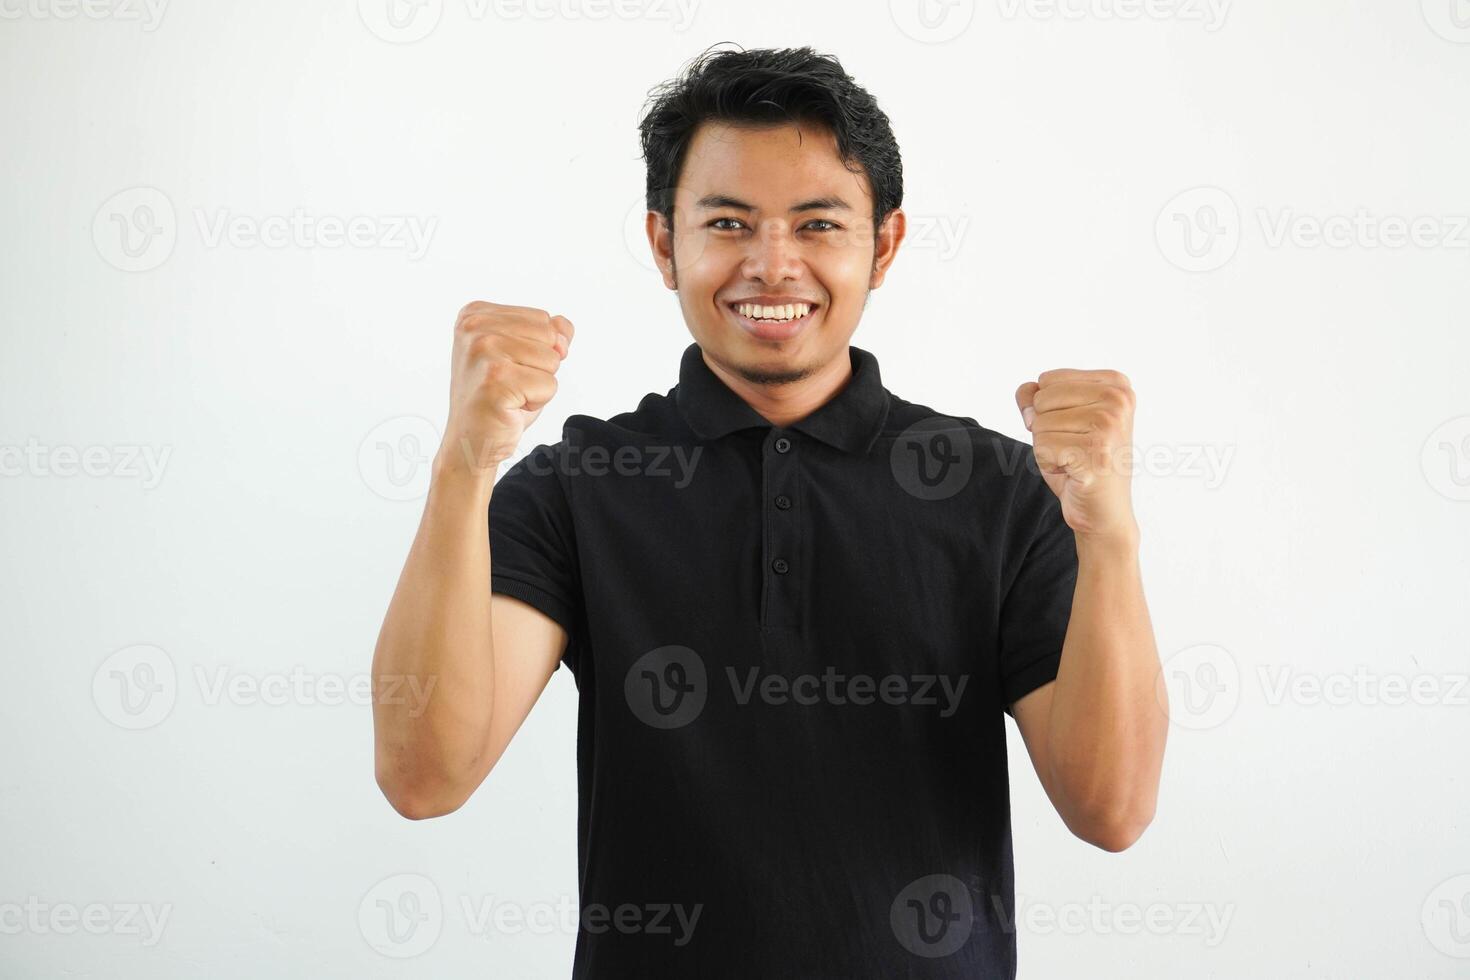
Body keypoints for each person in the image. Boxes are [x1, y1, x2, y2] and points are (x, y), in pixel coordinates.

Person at [371, 44, 1168, 979]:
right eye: (728, 222)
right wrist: (464, 462)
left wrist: (1109, 533)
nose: (772, 265)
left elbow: (1111, 810)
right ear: (666, 245)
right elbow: (425, 776)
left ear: (887, 244)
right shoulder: (578, 487)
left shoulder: (999, 491)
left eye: (819, 223)